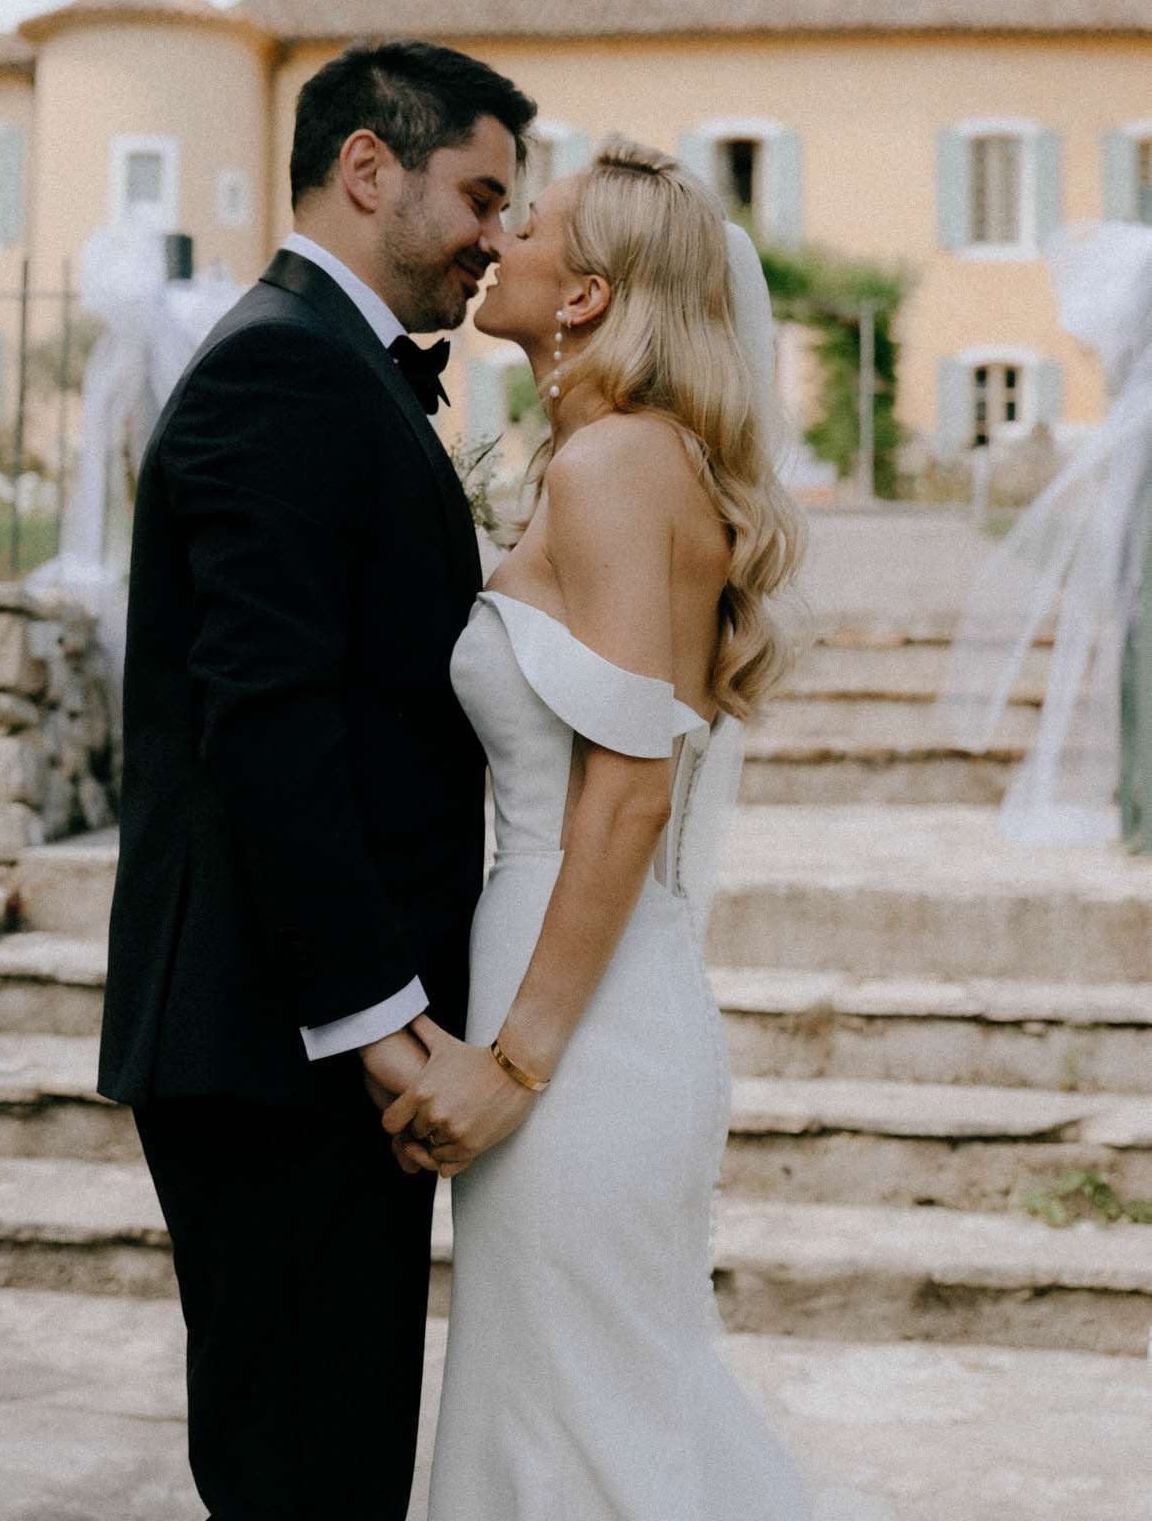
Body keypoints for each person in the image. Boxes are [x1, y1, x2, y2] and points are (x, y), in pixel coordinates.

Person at [96, 38, 536, 1521]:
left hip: (311, 1041)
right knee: (304, 1473)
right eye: (478, 193)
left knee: (336, 1461)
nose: (496, 235)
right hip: (278, 1042)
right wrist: (384, 1033)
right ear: (368, 168)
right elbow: (265, 730)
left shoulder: (329, 361)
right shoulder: (284, 371)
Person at [382, 136, 816, 1516]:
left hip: (584, 1023)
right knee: (566, 1408)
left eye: (527, 222)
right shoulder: (609, 457)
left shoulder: (620, 463)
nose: (495, 236)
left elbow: (627, 792)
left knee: (597, 1427)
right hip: (569, 987)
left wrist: (512, 1062)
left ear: (583, 297)